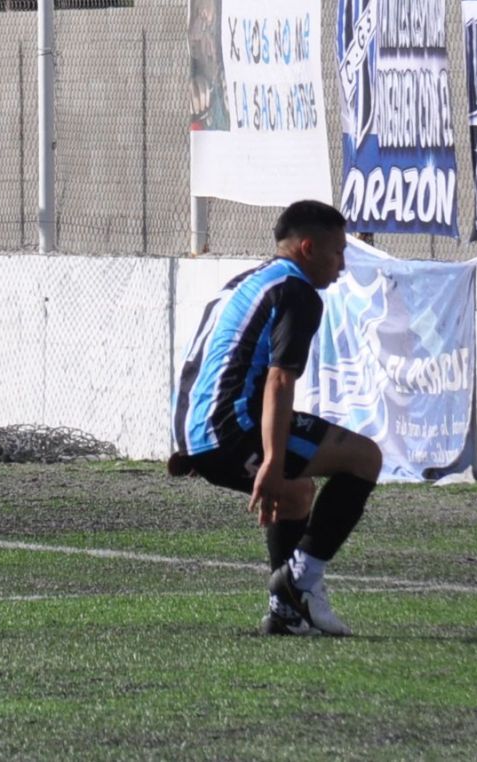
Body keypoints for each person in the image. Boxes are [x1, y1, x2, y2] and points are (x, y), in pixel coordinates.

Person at [169, 199, 382, 637]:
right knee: (365, 458)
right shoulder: (297, 292)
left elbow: (201, 358)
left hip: (196, 428)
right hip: (230, 430)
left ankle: (285, 614)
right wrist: (270, 458)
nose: (342, 264)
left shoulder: (247, 280)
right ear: (307, 248)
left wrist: (191, 443)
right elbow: (279, 381)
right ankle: (298, 581)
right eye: (338, 251)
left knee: (297, 494)